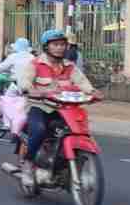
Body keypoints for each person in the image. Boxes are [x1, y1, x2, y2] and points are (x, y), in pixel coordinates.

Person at [15, 29, 103, 187]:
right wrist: (31, 90)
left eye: (62, 44)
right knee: (40, 130)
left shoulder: (70, 66)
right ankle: (28, 164)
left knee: (80, 132)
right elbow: (25, 82)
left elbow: (82, 82)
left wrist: (93, 92)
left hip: (66, 110)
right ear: (47, 47)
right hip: (41, 107)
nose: (60, 48)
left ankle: (68, 163)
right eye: (55, 44)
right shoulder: (36, 64)